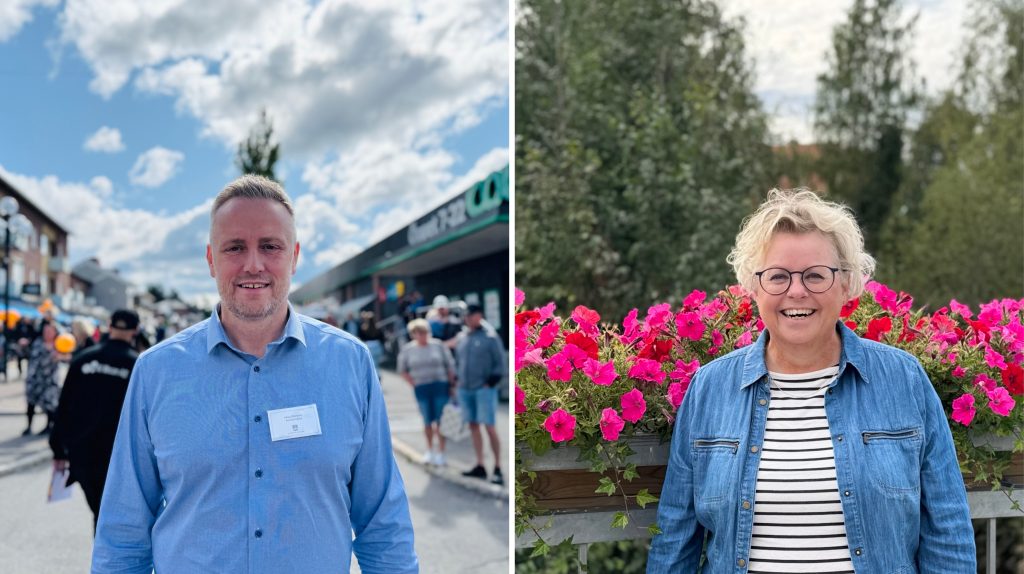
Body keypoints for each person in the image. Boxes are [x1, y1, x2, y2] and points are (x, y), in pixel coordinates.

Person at [92, 175, 418, 573]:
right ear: (211, 260)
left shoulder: (350, 363)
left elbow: (383, 522)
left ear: (293, 257)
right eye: (234, 247)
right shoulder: (156, 371)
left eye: (270, 246)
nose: (253, 264)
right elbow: (123, 532)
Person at [647, 189, 975, 573]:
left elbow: (947, 530)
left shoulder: (904, 380)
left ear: (846, 283)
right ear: (754, 287)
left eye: (816, 275)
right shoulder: (709, 389)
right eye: (778, 276)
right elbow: (674, 540)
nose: (797, 291)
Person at [49, 309, 140, 531]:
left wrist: (58, 449)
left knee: (100, 512)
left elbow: (64, 405)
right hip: (118, 455)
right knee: (109, 515)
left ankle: (102, 548)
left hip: (82, 453)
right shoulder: (137, 365)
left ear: (109, 326)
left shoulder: (83, 359)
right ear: (135, 330)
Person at [454, 304, 505, 485]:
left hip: (484, 389)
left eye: (471, 315)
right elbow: (458, 361)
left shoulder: (490, 337)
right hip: (465, 389)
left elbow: (500, 363)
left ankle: (497, 467)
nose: (468, 318)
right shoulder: (463, 337)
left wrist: (489, 383)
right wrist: (457, 380)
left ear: (479, 316)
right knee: (473, 426)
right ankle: (480, 465)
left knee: (489, 427)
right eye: (466, 316)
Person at [397, 318, 456, 465]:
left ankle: (442, 452)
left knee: (441, 421)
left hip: (440, 386)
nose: (421, 335)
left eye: (423, 332)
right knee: (427, 420)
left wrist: (452, 385)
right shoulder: (408, 349)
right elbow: (402, 369)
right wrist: (413, 383)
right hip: (422, 388)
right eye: (417, 333)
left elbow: (450, 365)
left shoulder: (438, 345)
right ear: (413, 334)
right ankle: (430, 450)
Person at [23, 320, 61, 436]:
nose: (47, 333)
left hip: (50, 379)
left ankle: (49, 426)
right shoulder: (37, 342)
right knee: (31, 402)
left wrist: (60, 356)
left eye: (49, 331)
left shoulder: (59, 344)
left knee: (49, 403)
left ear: (55, 332)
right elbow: (29, 355)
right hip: (35, 378)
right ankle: (29, 426)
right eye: (45, 331)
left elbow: (68, 357)